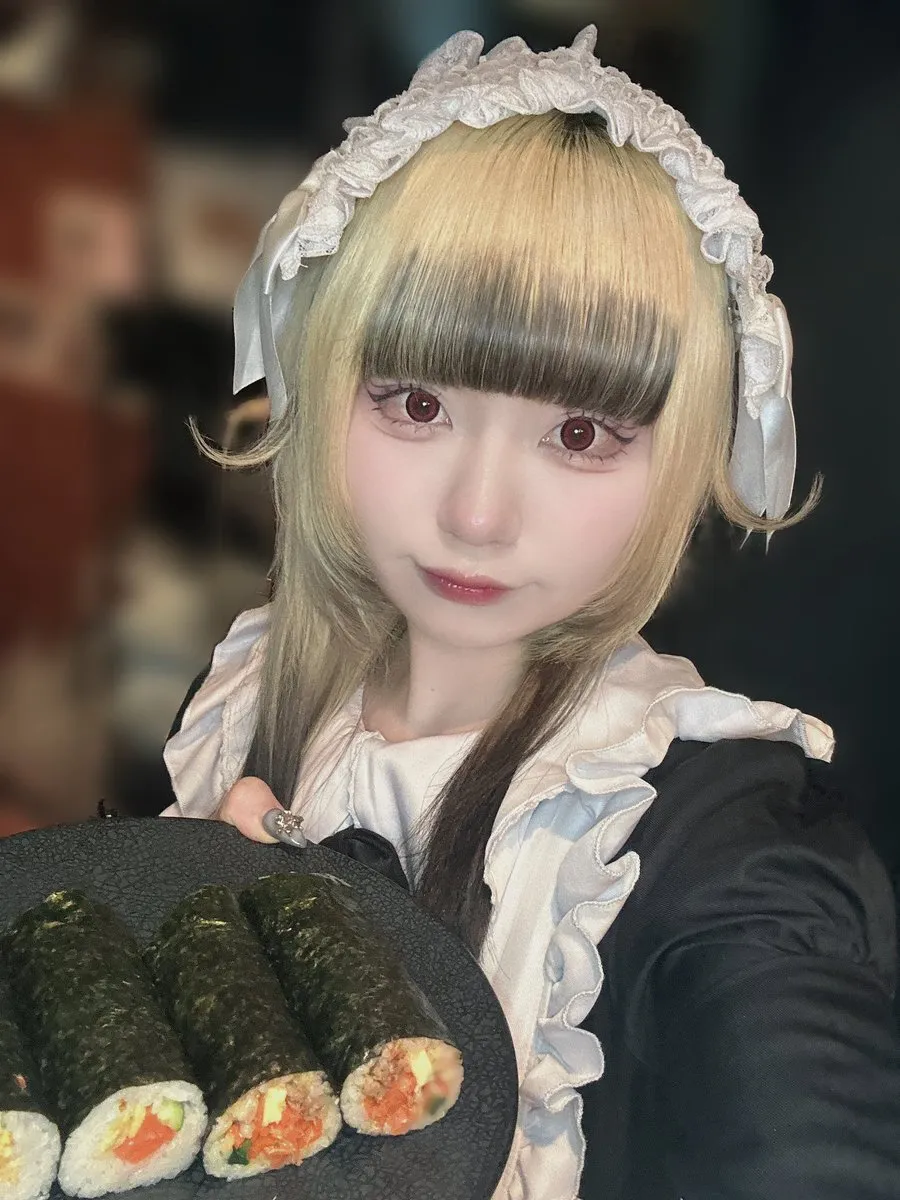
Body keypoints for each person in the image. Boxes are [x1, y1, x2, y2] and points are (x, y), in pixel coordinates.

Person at [161, 28, 900, 1200]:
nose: (477, 514)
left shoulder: (713, 841)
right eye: (415, 404)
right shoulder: (251, 693)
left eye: (580, 433)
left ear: (683, 457)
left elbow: (812, 1134)